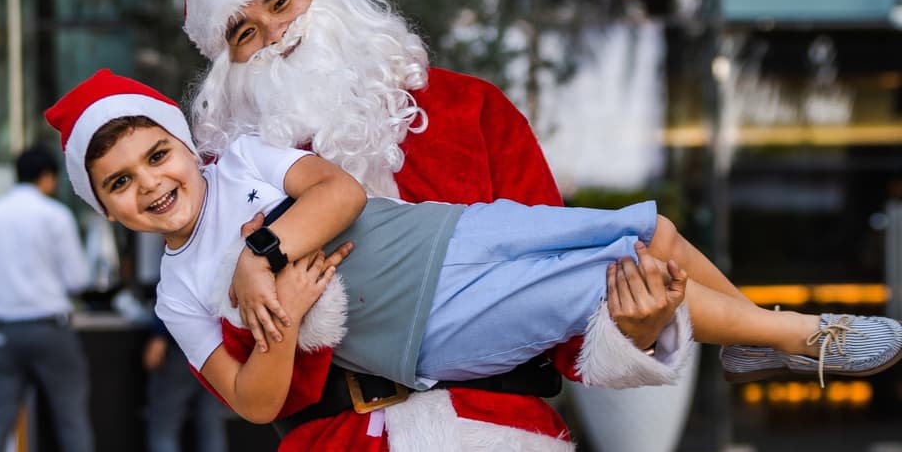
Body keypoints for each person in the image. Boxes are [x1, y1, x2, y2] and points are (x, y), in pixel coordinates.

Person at [179, 0, 902, 449]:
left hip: (501, 431)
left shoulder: (469, 109)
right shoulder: (227, 193)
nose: (272, 35)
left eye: (282, 1)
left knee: (630, 241)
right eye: (241, 32)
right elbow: (245, 380)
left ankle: (766, 332)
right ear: (226, 66)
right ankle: (780, 331)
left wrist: (635, 327)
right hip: (336, 440)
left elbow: (564, 326)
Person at [48, 73, 902, 436]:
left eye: (155, 156)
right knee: (600, 281)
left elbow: (340, 193)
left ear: (180, 143)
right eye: (119, 183)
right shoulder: (175, 295)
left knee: (643, 231)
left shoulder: (240, 160)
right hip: (420, 323)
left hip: (445, 232)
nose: (149, 184)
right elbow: (253, 402)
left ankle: (755, 332)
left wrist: (259, 253)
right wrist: (280, 322)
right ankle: (801, 337)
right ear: (108, 209)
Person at [0, 146, 95, 452]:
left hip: (4, 332)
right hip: (50, 329)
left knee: (0, 421)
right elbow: (77, 279)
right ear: (47, 178)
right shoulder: (56, 215)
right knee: (71, 420)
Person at [144, 313, 229, 452]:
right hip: (218, 347)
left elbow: (170, 296)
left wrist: (159, 334)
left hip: (181, 347)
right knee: (210, 423)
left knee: (164, 429)